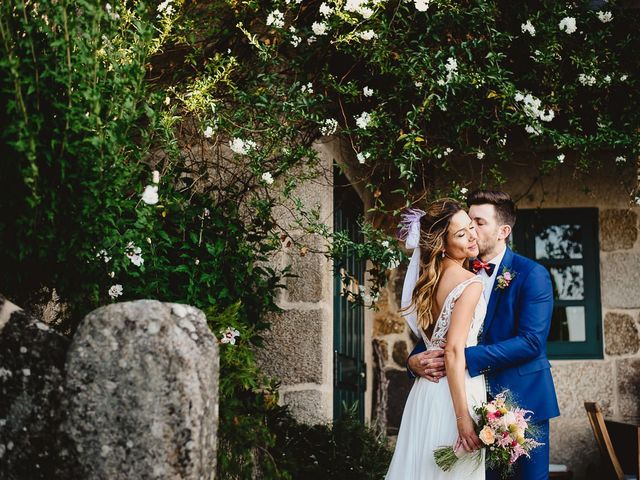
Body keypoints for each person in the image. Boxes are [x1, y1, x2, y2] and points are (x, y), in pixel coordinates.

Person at [407, 190, 560, 480]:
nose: (471, 230)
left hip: (521, 407)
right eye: (467, 223)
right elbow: (441, 333)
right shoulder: (454, 274)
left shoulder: (531, 274)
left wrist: (462, 358)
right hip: (468, 403)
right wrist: (414, 362)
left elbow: (531, 342)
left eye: (478, 222)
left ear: (504, 231)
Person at [386, 198, 487, 480]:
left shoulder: (426, 284)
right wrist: (463, 419)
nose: (472, 236)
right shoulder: (470, 282)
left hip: (425, 393)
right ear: (442, 244)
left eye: (471, 227)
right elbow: (454, 350)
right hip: (455, 395)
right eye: (461, 234)